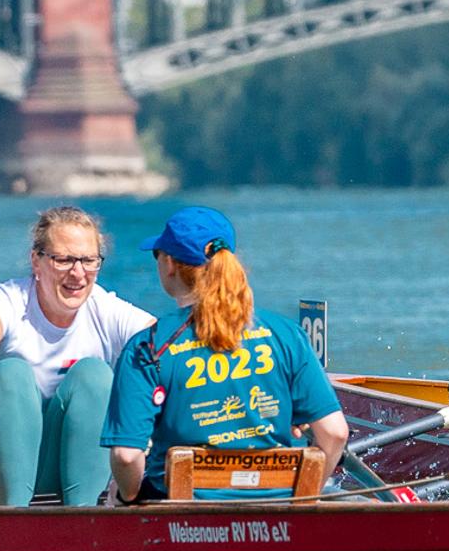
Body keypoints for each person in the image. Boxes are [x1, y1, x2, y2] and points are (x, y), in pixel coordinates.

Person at [103, 205, 346, 500]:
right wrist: (307, 491)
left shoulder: (149, 346)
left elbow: (127, 457)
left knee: (117, 490)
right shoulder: (287, 335)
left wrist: (126, 495)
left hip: (181, 514)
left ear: (168, 263)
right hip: (279, 504)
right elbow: (334, 433)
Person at [0, 205, 153, 505]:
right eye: (64, 260)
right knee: (12, 374)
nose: (78, 273)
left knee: (96, 376)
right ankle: (16, 518)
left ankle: (83, 517)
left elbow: (173, 353)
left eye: (89, 261)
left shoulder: (108, 311)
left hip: (46, 474)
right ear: (36, 262)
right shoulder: (6, 301)